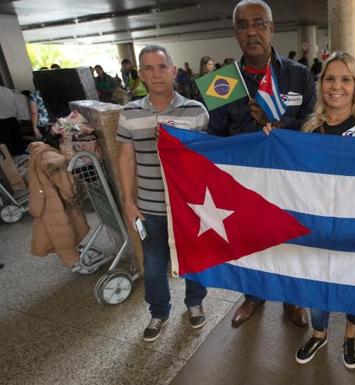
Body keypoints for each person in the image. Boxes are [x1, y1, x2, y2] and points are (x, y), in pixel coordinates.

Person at [263, 52, 355, 369]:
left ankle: (351, 335)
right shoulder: (310, 128)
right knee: (316, 283)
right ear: (321, 83)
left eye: (345, 79)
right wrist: (273, 141)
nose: (336, 86)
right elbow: (292, 173)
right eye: (329, 78)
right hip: (319, 227)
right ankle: (319, 333)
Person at [207, 0, 316, 329]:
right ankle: (253, 294)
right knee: (248, 241)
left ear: (272, 28)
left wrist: (280, 123)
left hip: (290, 180)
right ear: (235, 33)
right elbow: (216, 135)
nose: (251, 31)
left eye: (259, 23)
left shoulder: (298, 75)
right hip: (244, 184)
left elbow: (314, 127)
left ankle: (293, 298)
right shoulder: (221, 81)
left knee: (291, 239)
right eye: (243, 25)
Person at [116, 45, 210, 342]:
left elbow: (207, 159)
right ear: (140, 74)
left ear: (174, 70)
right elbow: (126, 158)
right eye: (148, 68)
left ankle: (194, 302)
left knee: (194, 259)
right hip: (149, 207)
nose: (156, 74)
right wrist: (128, 202)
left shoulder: (196, 111)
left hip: (188, 206)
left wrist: (178, 143)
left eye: (161, 66)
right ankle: (159, 312)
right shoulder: (130, 112)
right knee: (154, 264)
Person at [0, 85, 22, 155]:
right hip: (13, 120)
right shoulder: (8, 90)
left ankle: (12, 162)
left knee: (6, 145)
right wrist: (19, 118)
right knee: (17, 142)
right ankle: (23, 161)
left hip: (1, 122)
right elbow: (17, 105)